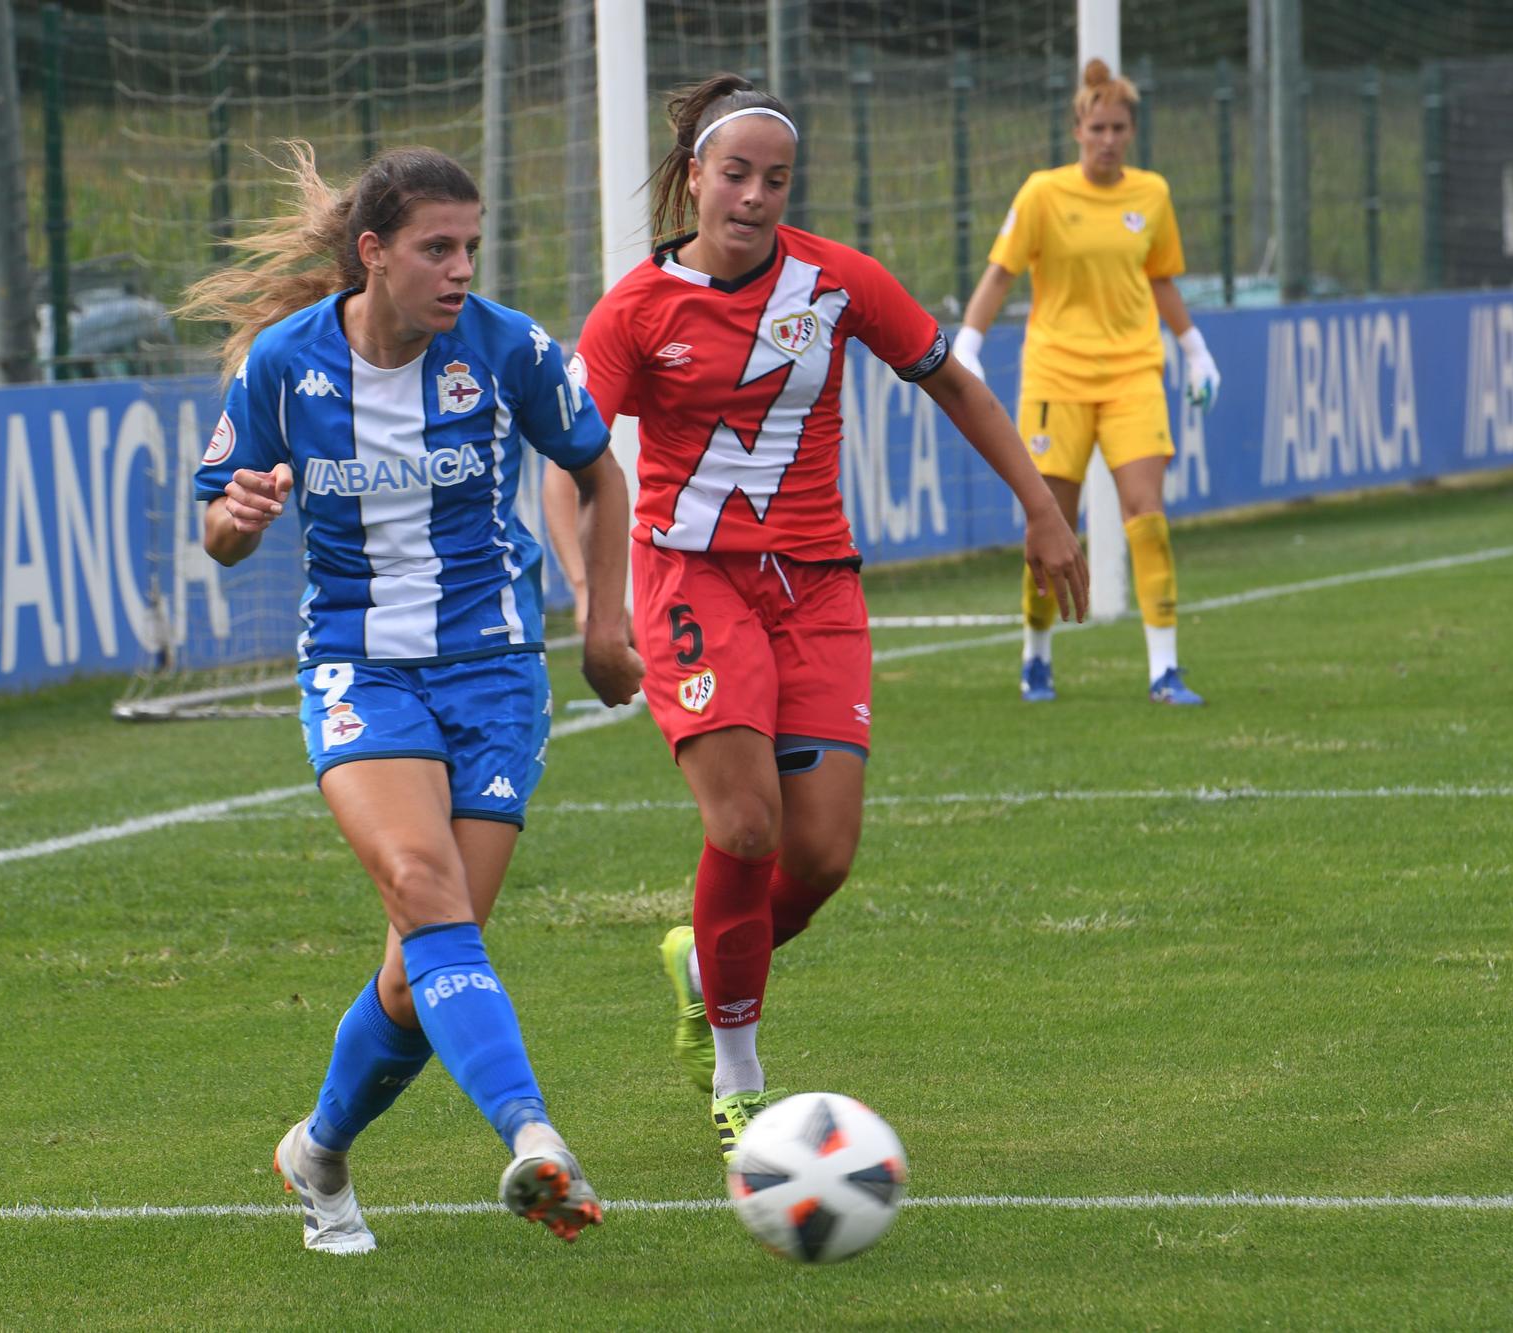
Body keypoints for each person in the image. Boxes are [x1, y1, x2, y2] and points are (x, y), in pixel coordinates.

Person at [541, 74, 1087, 1163]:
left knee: (821, 856)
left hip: (818, 590)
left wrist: (1041, 509)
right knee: (743, 825)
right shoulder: (633, 312)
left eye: (773, 179)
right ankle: (739, 1072)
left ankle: (703, 964)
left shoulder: (835, 281)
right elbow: (570, 466)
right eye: (733, 174)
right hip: (690, 581)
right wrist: (592, 600)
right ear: (694, 177)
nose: (752, 196)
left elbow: (954, 382)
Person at [185, 142, 644, 1252]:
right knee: (424, 885)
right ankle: (534, 1137)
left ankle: (320, 1150)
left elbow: (598, 472)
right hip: (359, 668)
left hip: (492, 676)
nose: (459, 270)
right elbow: (218, 525)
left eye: (470, 247)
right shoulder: (281, 366)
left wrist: (604, 616)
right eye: (437, 248)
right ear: (372, 255)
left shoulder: (506, 348)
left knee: (419, 967)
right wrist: (236, 523)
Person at [952, 58, 1221, 706]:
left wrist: (1195, 349)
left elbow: (1160, 279)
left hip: (1133, 372)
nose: (1107, 138)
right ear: (1077, 128)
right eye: (1097, 126)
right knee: (1052, 520)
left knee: (1145, 512)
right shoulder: (1043, 193)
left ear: (1132, 132)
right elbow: (1000, 272)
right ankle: (1036, 654)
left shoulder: (1151, 194)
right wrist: (967, 341)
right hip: (1057, 375)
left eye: (1119, 127)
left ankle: (1164, 668)